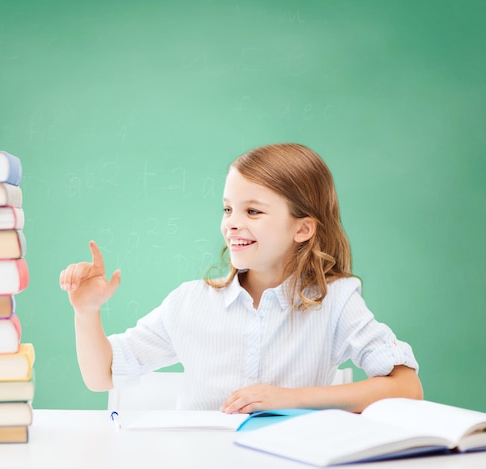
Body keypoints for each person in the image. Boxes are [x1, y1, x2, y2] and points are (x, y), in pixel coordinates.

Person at [59, 143, 423, 414]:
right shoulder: (190, 302)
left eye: (253, 210)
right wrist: (86, 312)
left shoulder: (336, 300)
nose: (232, 222)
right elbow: (102, 376)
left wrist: (290, 399)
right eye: (228, 208)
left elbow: (407, 387)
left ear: (303, 228)